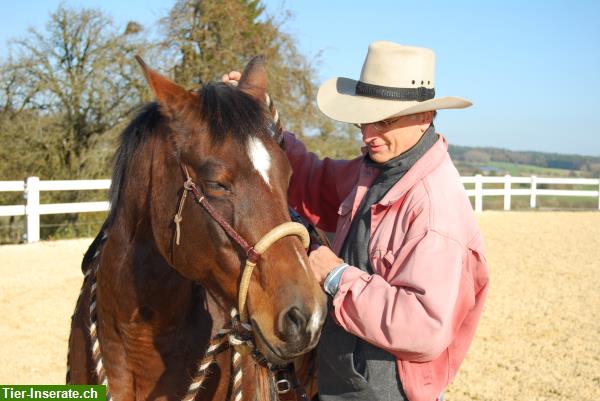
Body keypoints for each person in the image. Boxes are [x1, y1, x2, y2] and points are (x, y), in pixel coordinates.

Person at [224, 41, 489, 401]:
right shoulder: (382, 168)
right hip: (347, 380)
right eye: (364, 120)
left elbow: (424, 328)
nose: (367, 135)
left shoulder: (432, 210)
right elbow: (314, 182)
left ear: (424, 117)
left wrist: (336, 276)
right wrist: (260, 123)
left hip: (383, 391)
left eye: (384, 122)